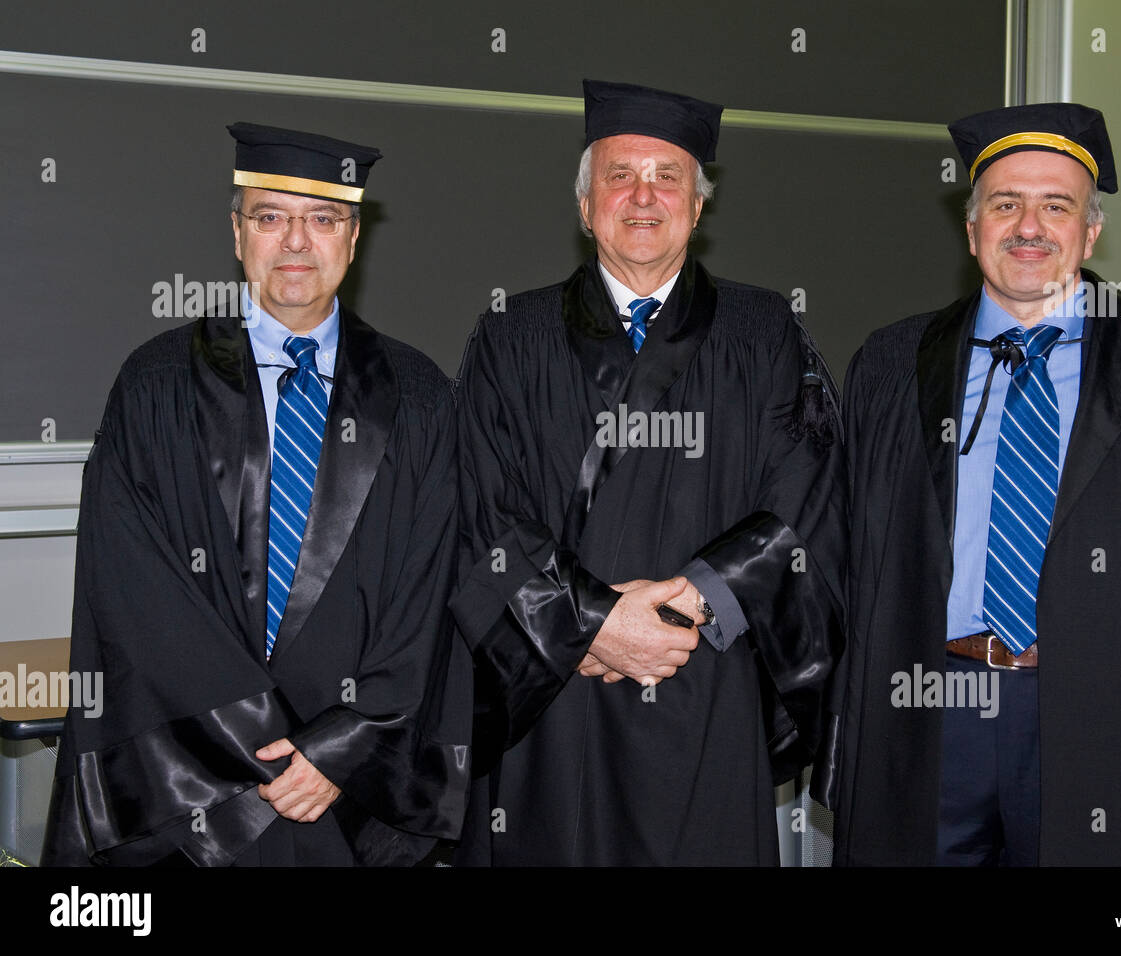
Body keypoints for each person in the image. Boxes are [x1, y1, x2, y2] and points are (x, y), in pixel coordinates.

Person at [817, 102, 1121, 866]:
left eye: (1055, 205)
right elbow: (842, 562)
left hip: (1108, 718)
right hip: (934, 711)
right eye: (1005, 204)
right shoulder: (892, 365)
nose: (1029, 226)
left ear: (1090, 231)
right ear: (971, 230)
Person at [42, 122, 470, 866]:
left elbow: (429, 601)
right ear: (238, 235)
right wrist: (260, 753)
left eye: (323, 219)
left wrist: (342, 748)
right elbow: (131, 596)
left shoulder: (419, 396)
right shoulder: (156, 386)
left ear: (355, 236)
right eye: (272, 217)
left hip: (352, 793)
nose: (297, 243)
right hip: (197, 788)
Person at [452, 80, 845, 865]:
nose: (643, 196)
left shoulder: (763, 331)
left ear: (698, 206)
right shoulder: (510, 336)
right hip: (559, 683)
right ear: (584, 202)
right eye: (619, 175)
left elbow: (806, 497)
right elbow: (478, 508)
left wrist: (692, 602)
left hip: (707, 672)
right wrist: (595, 624)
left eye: (668, 177)